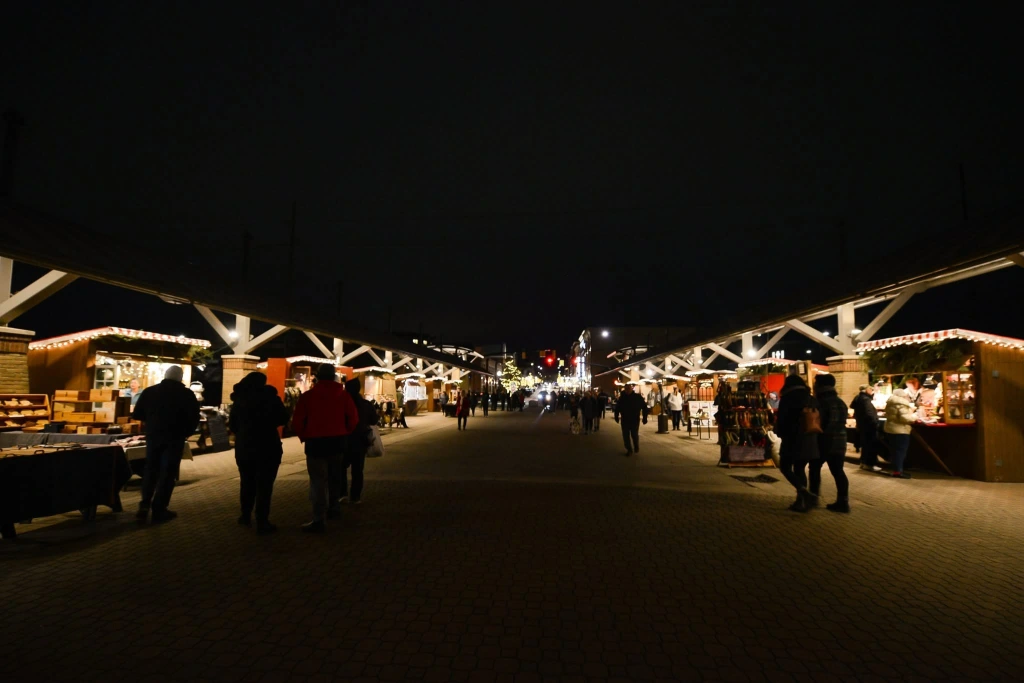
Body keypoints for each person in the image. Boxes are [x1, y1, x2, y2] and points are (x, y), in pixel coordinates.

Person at [291, 364, 359, 532]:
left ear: (318, 377)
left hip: (315, 443)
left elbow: (297, 421)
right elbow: (353, 419)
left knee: (318, 481)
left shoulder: (308, 396)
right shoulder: (343, 396)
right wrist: (344, 432)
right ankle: (334, 507)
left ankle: (318, 518)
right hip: (337, 442)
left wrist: (304, 435)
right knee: (335, 476)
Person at [132, 365, 201, 523]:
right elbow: (194, 418)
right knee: (167, 473)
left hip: (153, 436)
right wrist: (186, 432)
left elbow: (138, 414)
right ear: (180, 377)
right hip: (174, 438)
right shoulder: (186, 394)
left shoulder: (150, 391)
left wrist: (152, 422)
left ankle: (144, 505)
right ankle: (159, 509)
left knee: (150, 470)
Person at [228, 372, 289, 534]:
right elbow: (283, 419)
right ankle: (262, 520)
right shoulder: (271, 398)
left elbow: (233, 425)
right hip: (268, 446)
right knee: (265, 485)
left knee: (246, 482)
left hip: (245, 447)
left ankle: (245, 515)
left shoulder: (239, 400)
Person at [774, 374, 819, 512]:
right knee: (800, 469)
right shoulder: (810, 398)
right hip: (810, 438)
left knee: (785, 467)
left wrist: (779, 432)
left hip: (792, 438)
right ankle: (801, 502)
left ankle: (803, 492)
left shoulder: (787, 398)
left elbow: (782, 419)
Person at [807, 374, 851, 513]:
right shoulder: (840, 402)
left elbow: (817, 423)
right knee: (838, 471)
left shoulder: (819, 402)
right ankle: (843, 501)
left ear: (820, 386)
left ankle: (813, 498)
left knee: (814, 468)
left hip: (823, 440)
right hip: (840, 440)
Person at [342, 377, 379, 505]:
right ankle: (355, 497)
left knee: (340, 468)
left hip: (343, 440)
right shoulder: (366, 404)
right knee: (357, 471)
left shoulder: (341, 404)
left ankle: (342, 494)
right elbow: (374, 420)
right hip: (360, 441)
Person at [884, 388, 916, 479]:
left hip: (890, 429)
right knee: (900, 452)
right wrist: (915, 416)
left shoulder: (890, 402)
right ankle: (898, 471)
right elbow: (904, 418)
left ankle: (896, 470)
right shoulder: (901, 404)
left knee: (895, 451)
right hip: (900, 430)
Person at [850, 384, 882, 472]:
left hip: (862, 425)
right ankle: (870, 464)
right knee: (871, 445)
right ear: (865, 390)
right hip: (869, 426)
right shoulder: (866, 400)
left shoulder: (858, 398)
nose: (871, 390)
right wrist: (875, 422)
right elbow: (869, 413)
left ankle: (863, 463)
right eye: (870, 389)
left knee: (865, 445)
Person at [613, 384, 649, 456]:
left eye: (629, 388)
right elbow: (617, 408)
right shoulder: (622, 398)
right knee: (626, 435)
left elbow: (644, 407)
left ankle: (636, 446)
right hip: (625, 419)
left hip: (634, 419)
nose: (627, 390)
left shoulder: (637, 397)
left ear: (631, 389)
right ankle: (629, 449)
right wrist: (616, 416)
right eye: (626, 389)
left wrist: (645, 418)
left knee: (634, 434)